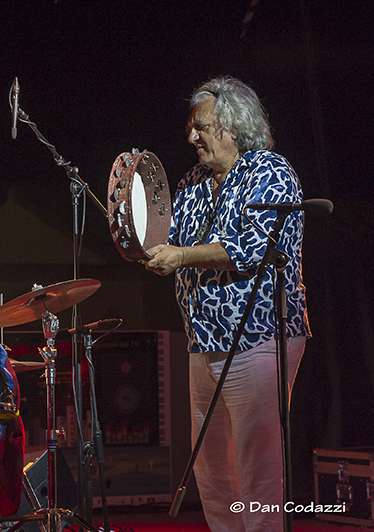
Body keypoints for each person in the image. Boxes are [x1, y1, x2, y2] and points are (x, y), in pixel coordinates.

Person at [145, 76, 310, 532]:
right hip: (205, 342)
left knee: (257, 466)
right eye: (192, 127)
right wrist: (132, 218)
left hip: (259, 338)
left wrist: (180, 256)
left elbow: (252, 246)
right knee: (212, 468)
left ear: (234, 127)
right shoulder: (194, 182)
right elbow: (163, 242)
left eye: (202, 126)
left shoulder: (270, 171)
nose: (191, 136)